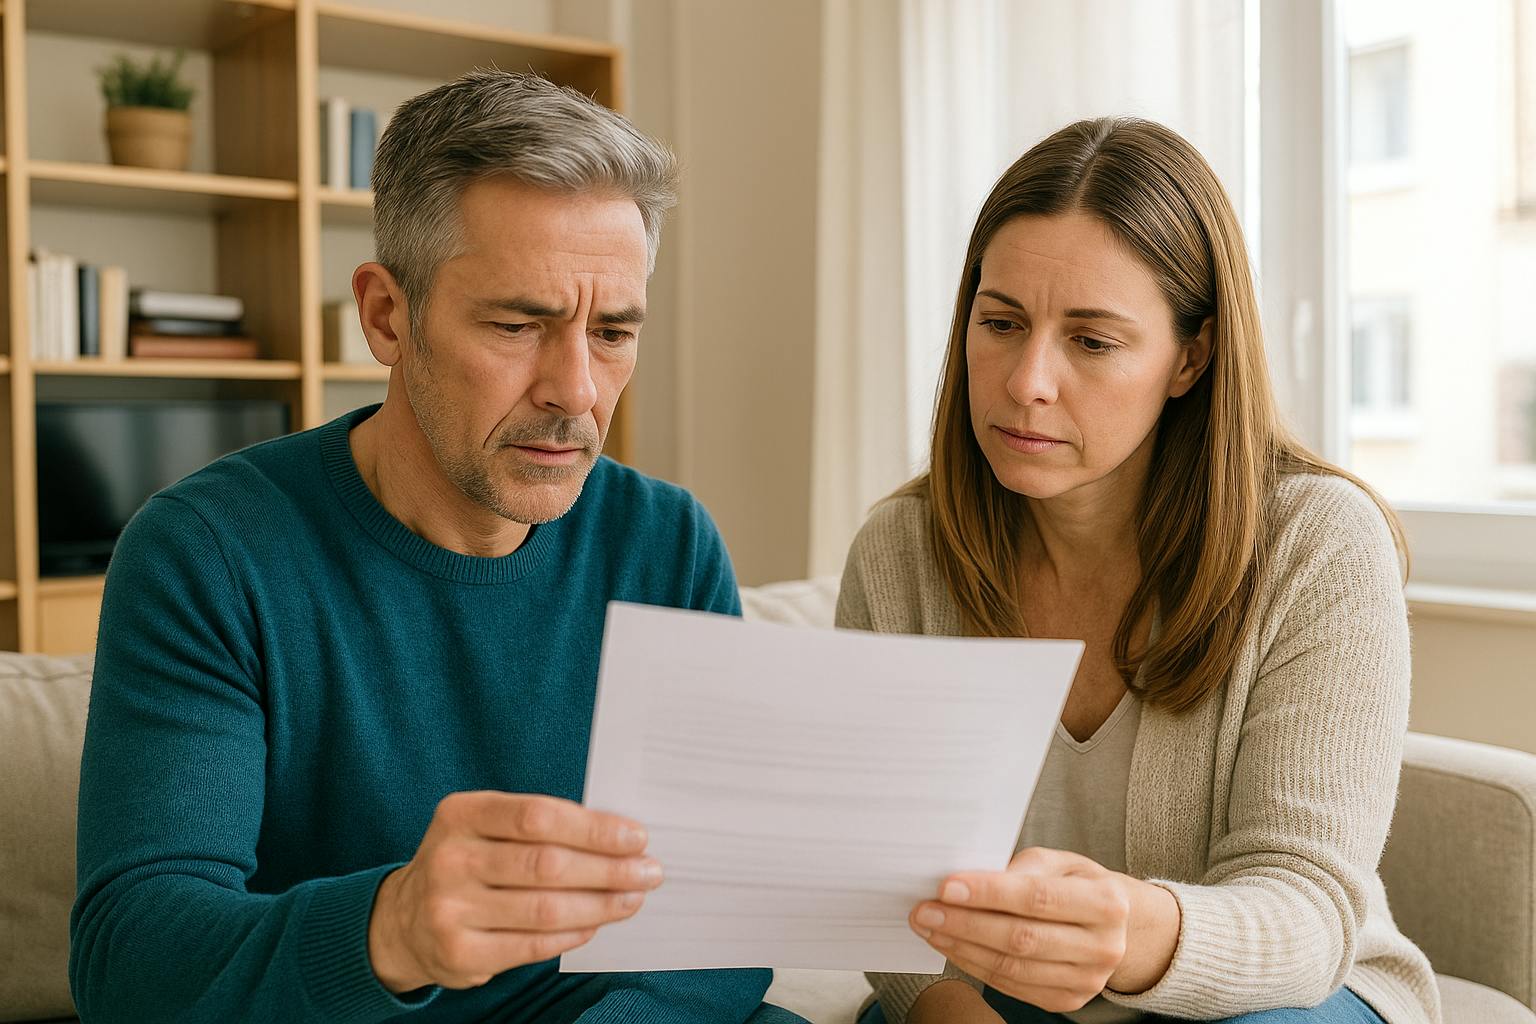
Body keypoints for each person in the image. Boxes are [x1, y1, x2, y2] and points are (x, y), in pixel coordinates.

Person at [70, 70, 804, 1024]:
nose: (577, 390)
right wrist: (391, 931)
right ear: (387, 315)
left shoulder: (667, 544)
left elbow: (725, 909)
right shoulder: (207, 554)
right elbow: (130, 964)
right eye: (517, 324)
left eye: (613, 332)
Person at [837, 118, 1439, 1024]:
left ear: (1190, 357)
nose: (1027, 381)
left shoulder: (1321, 543)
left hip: (1279, 997)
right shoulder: (899, 553)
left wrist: (1127, 931)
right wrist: (943, 1007)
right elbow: (880, 879)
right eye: (1000, 323)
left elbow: (1307, 908)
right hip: (1007, 995)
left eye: (1091, 341)